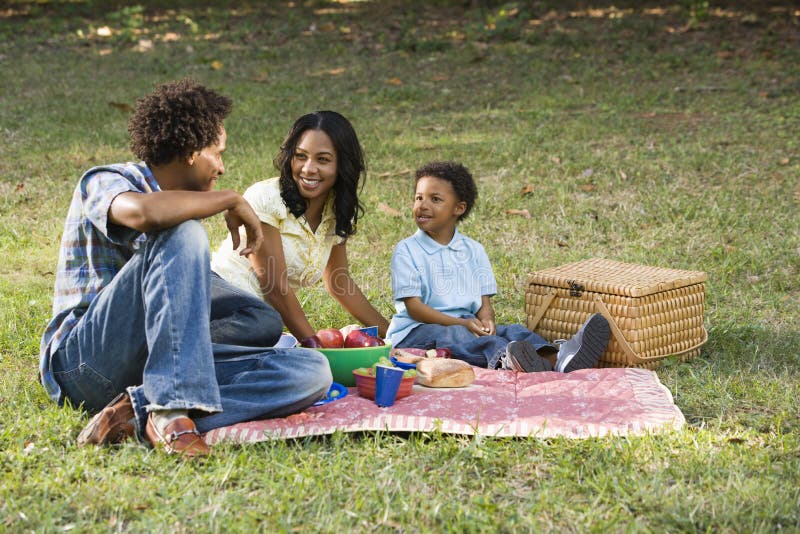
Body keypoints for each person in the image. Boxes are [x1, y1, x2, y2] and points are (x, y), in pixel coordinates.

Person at [39, 79, 332, 457]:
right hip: (85, 366)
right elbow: (144, 213)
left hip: (148, 370)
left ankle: (138, 409)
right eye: (218, 153)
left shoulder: (183, 209)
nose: (223, 168)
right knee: (184, 231)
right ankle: (171, 411)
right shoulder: (105, 180)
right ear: (193, 151)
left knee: (306, 368)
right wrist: (228, 200)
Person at [386, 161, 611, 372]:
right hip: (416, 331)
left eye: (435, 199)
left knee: (512, 330)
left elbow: (484, 303)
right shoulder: (407, 250)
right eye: (418, 198)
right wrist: (462, 322)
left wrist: (487, 320)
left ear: (459, 208)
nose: (422, 206)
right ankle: (506, 361)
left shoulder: (473, 250)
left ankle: (557, 358)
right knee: (462, 337)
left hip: (466, 323)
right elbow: (414, 308)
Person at [211, 111, 389, 347]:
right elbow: (275, 287)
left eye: (323, 160)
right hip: (221, 305)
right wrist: (315, 346)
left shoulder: (334, 212)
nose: (308, 169)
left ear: (342, 165)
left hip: (256, 323)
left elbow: (340, 282)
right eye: (300, 156)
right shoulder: (266, 198)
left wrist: (393, 335)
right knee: (274, 334)